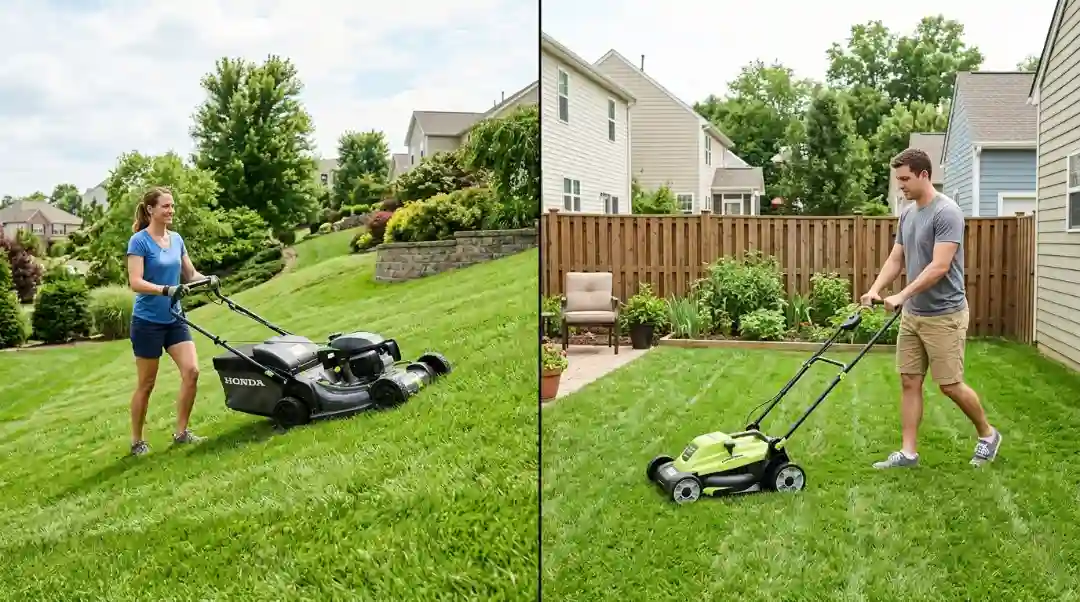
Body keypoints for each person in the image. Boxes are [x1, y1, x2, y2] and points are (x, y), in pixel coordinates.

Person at [861, 148, 1001, 469]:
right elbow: (897, 258)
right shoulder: (908, 213)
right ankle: (908, 453)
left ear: (924, 175)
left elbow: (939, 267)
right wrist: (876, 289)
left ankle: (987, 434)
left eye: (906, 179)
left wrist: (902, 295)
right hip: (915, 315)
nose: (901, 186)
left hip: (945, 314)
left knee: (950, 385)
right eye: (898, 180)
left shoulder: (946, 213)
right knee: (909, 380)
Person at [125, 186, 215, 456]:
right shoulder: (139, 241)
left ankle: (181, 433)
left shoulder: (176, 239)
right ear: (151, 209)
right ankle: (137, 441)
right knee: (147, 384)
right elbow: (135, 282)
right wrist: (165, 289)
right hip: (147, 322)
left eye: (172, 206)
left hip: (175, 318)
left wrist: (208, 280)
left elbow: (190, 273)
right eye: (165, 206)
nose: (171, 210)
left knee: (192, 372)